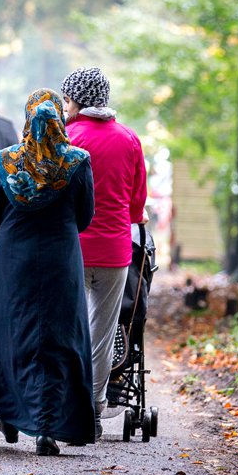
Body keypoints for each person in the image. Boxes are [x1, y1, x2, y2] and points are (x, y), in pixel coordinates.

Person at [0, 88, 95, 456]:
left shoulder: (7, 160)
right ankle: (48, 427)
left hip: (15, 260)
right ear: (60, 120)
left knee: (15, 334)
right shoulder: (78, 161)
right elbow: (85, 216)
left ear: (27, 117)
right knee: (58, 340)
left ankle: (11, 415)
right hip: (61, 258)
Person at [61, 67, 147, 440]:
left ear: (79, 101)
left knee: (68, 327)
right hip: (115, 251)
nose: (64, 106)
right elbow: (137, 203)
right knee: (101, 333)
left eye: (67, 100)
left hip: (72, 248)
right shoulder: (129, 140)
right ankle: (94, 409)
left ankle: (65, 404)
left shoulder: (66, 136)